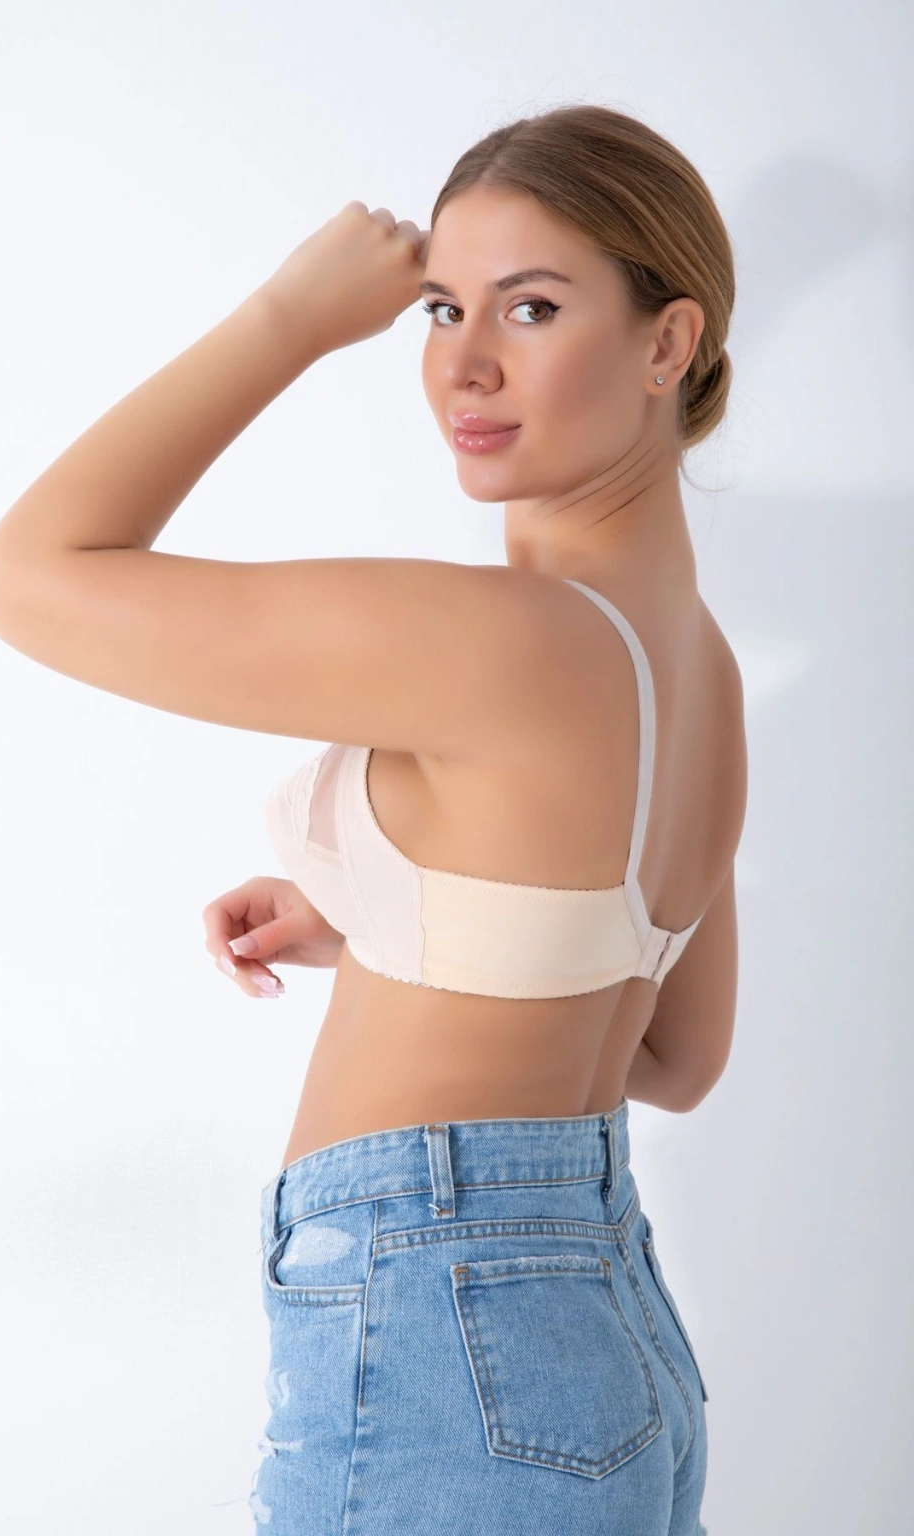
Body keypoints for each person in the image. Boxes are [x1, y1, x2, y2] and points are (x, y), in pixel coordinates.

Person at [202, 104, 744, 1534]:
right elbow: (673, 1051)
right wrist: (401, 924)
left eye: (533, 306)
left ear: (668, 343)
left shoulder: (503, 637)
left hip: (446, 1340)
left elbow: (26, 572)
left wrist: (287, 322)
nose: (463, 363)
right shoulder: (697, 663)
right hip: (603, 1335)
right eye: (442, 308)